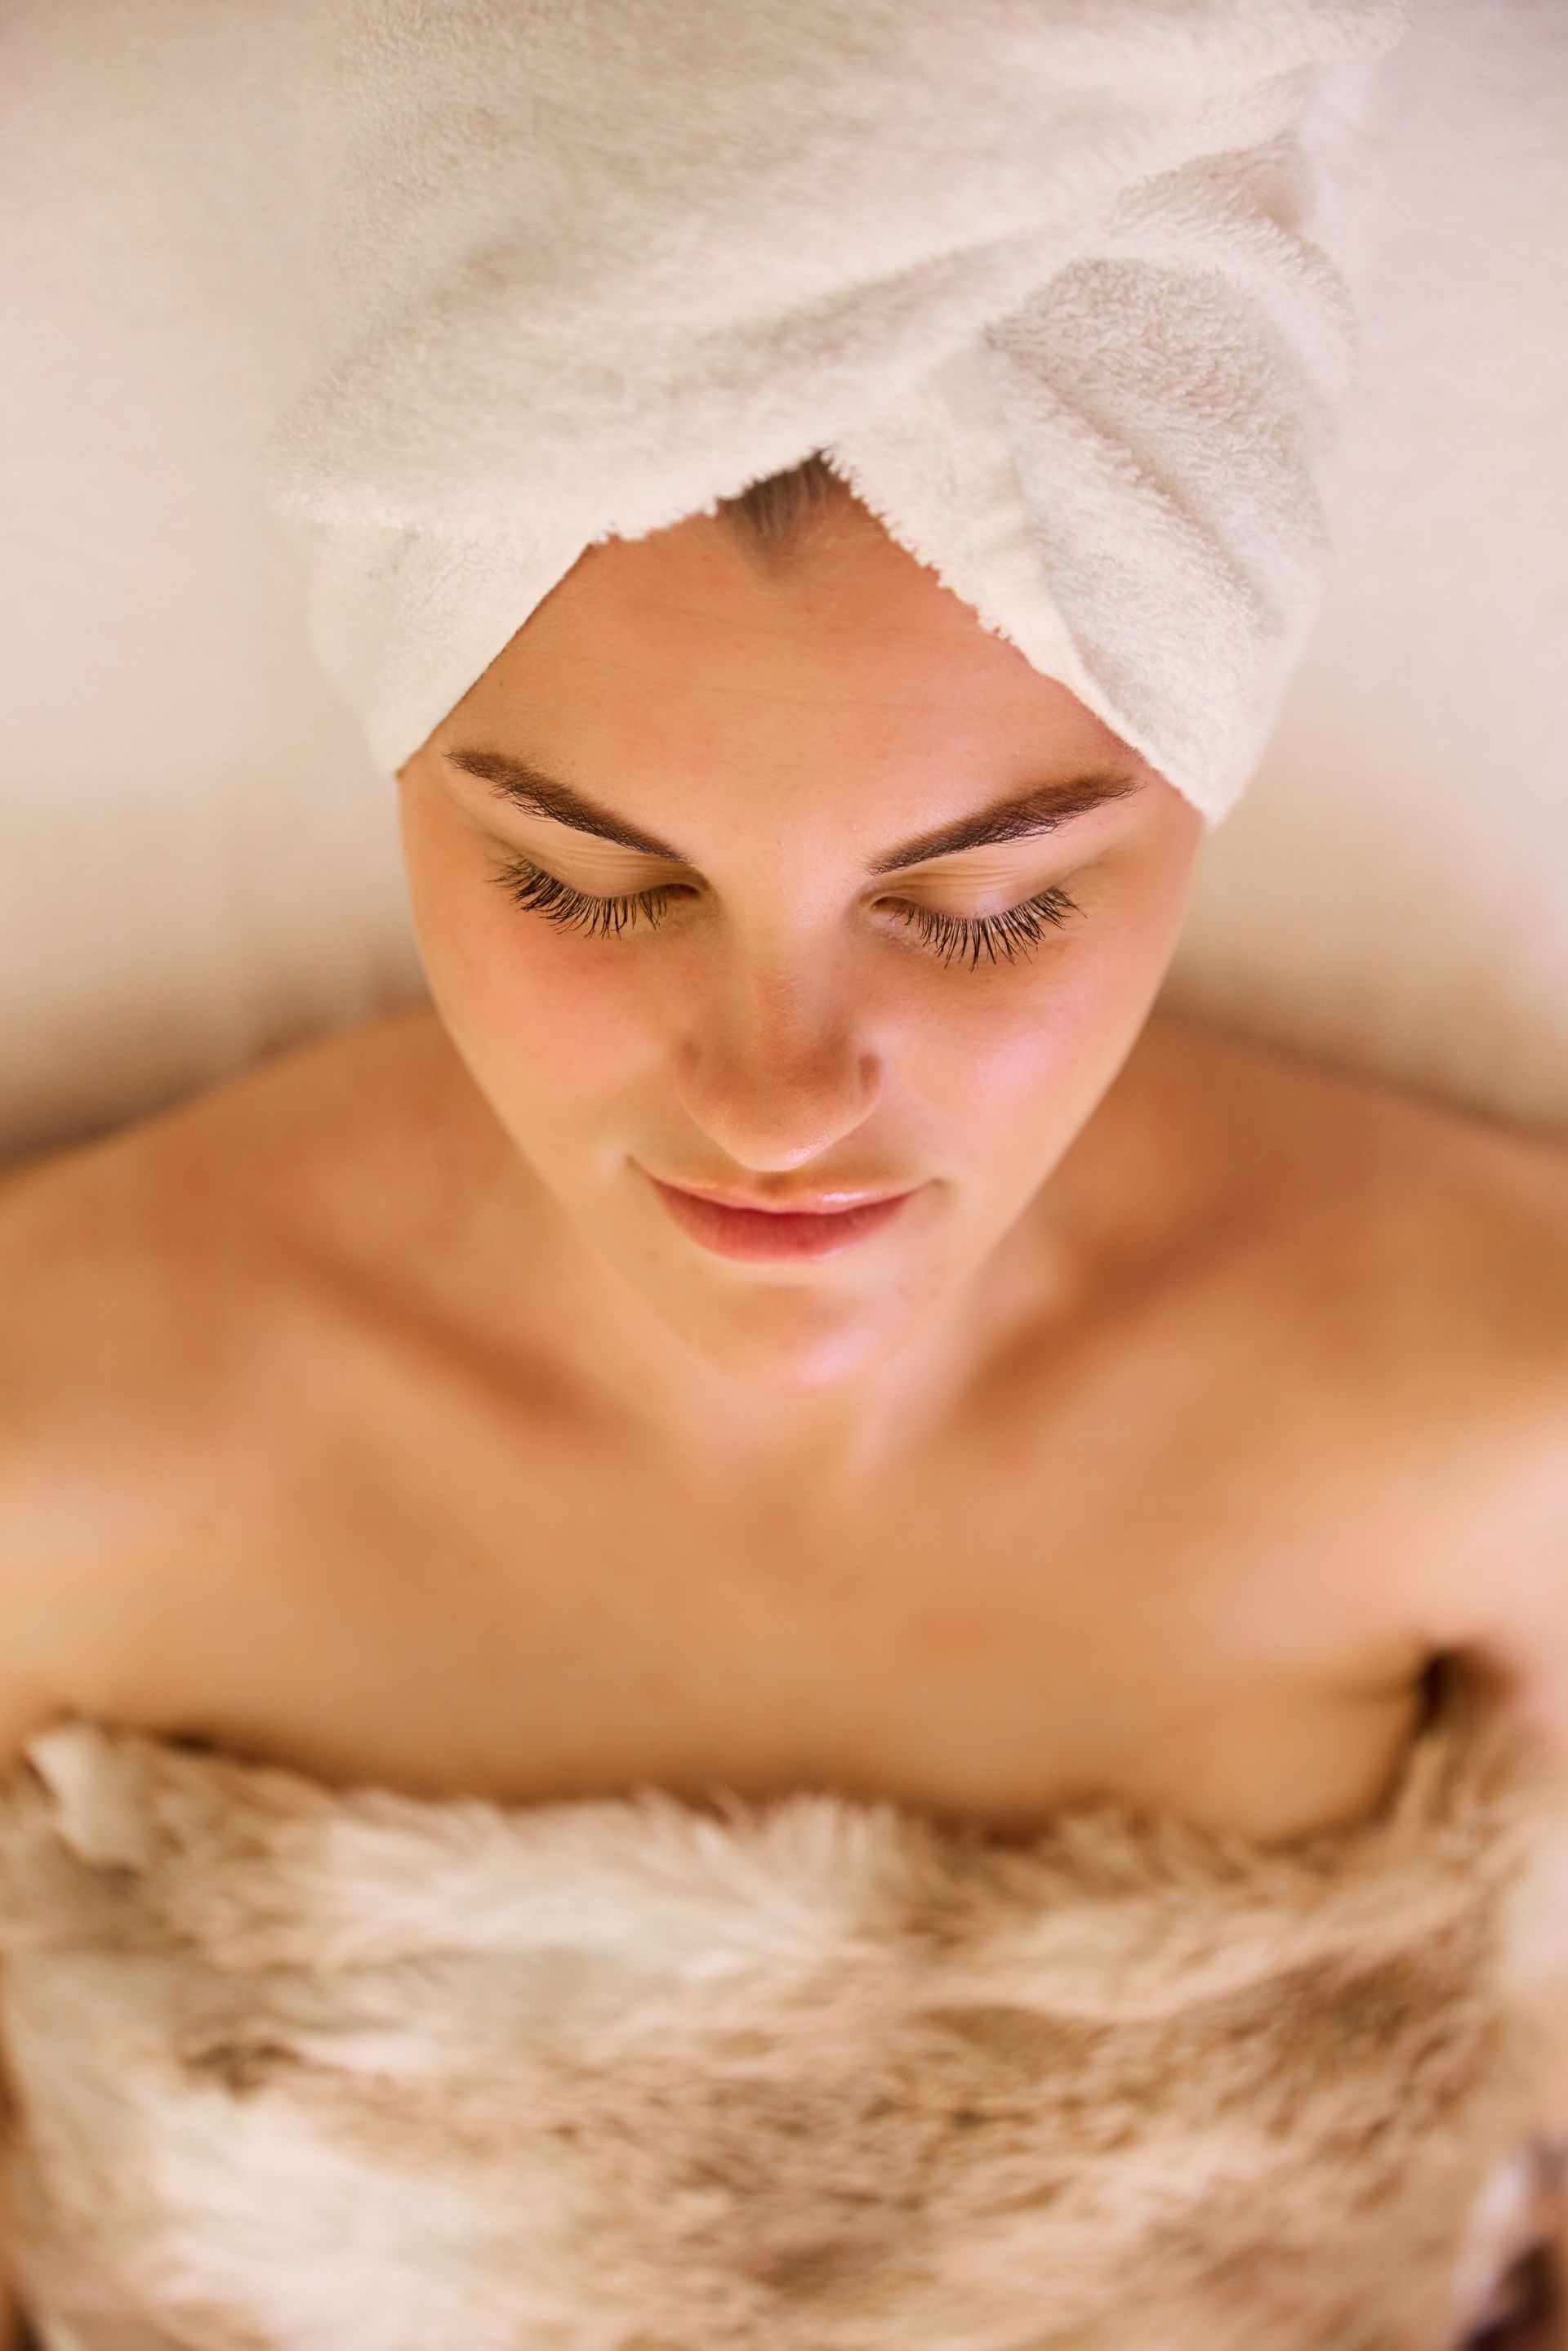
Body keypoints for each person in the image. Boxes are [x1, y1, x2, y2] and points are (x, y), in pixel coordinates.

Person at [2, 452, 1567, 2350]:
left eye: (984, 905)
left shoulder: (1505, 1404)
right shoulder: (49, 1425)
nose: (773, 1100)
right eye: (583, 883)